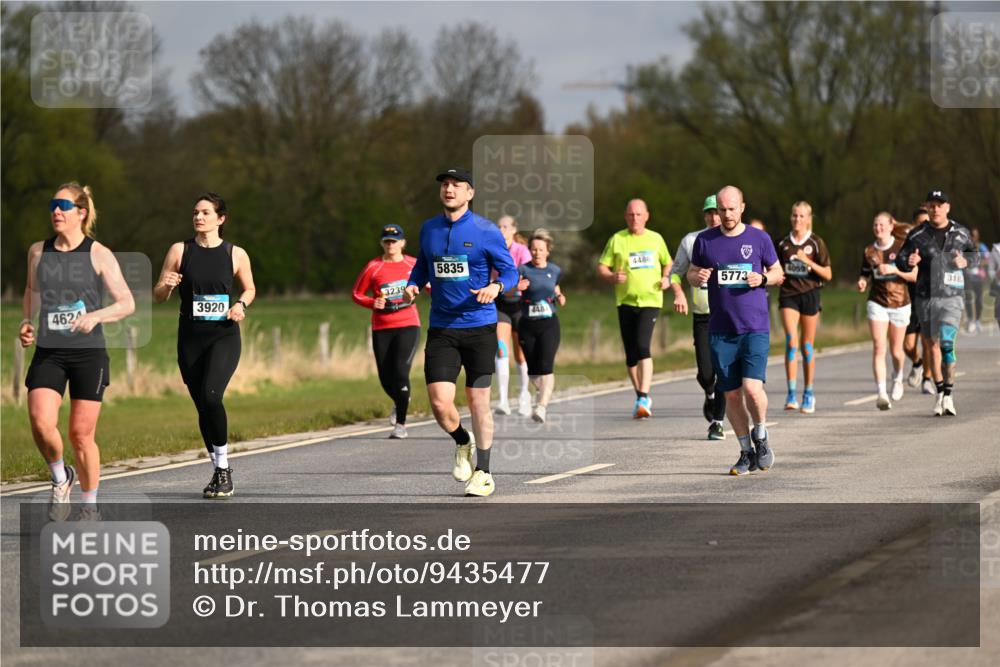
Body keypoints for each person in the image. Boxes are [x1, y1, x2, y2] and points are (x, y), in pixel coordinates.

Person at [20, 183, 135, 520]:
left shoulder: (99, 253)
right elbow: (31, 289)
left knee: (80, 435)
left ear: (81, 213)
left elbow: (126, 302)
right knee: (41, 424)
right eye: (52, 205)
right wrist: (27, 320)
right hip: (49, 351)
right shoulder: (38, 252)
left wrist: (95, 317)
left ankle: (89, 507)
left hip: (88, 354)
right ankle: (60, 476)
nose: (56, 211)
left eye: (63, 205)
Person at [404, 168, 518, 497]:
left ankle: (483, 471)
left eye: (457, 185)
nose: (449, 189)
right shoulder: (429, 229)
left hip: (480, 327)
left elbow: (510, 271)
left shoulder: (485, 231)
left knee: (478, 401)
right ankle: (461, 441)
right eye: (445, 184)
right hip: (442, 329)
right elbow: (423, 265)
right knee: (440, 404)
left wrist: (496, 287)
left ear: (470, 193)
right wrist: (413, 284)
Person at [154, 193, 256, 498]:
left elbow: (249, 288)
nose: (199, 217)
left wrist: (240, 305)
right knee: (202, 403)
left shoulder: (235, 254)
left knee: (212, 396)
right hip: (190, 336)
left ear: (220, 219)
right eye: (196, 212)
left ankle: (224, 469)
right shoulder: (179, 250)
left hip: (223, 334)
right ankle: (217, 470)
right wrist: (167, 285)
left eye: (206, 213)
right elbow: (159, 295)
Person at [688, 186, 784, 476]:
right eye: (721, 209)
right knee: (730, 396)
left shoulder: (759, 238)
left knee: (753, 389)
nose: (726, 214)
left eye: (731, 208)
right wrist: (697, 276)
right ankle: (746, 452)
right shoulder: (705, 241)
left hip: (754, 326)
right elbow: (691, 273)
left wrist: (764, 277)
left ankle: (762, 436)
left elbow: (779, 273)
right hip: (720, 329)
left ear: (742, 207)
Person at [896, 189, 978, 416]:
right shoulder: (917, 234)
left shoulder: (960, 233)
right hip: (925, 296)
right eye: (932, 205)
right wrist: (909, 261)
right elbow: (902, 259)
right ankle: (940, 392)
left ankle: (949, 395)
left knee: (947, 345)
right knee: (931, 345)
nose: (936, 209)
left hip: (952, 297)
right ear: (927, 207)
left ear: (947, 208)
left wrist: (966, 261)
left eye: (940, 205)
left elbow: (975, 255)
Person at [597, 199, 672, 419]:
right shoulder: (617, 239)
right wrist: (611, 276)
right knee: (631, 355)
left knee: (642, 346)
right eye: (631, 215)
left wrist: (666, 277)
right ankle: (640, 395)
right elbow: (602, 266)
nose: (635, 218)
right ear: (625, 216)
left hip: (650, 300)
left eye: (639, 215)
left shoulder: (656, 239)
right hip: (625, 301)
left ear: (647, 216)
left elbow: (668, 262)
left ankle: (643, 395)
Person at [352, 224, 421, 439]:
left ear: (403, 243)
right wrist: (373, 302)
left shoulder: (413, 264)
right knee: (385, 376)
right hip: (382, 326)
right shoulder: (374, 267)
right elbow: (357, 293)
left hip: (408, 323)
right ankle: (401, 399)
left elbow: (429, 285)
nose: (391, 245)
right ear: (382, 243)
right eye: (387, 241)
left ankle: (400, 424)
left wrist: (421, 288)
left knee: (401, 371)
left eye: (395, 241)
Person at [670, 194, 727, 440]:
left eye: (719, 212)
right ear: (704, 215)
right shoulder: (692, 240)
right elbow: (675, 273)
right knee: (706, 373)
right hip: (702, 316)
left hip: (727, 315)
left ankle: (717, 422)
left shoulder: (734, 240)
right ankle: (710, 393)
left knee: (723, 370)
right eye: (710, 212)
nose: (715, 217)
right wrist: (679, 293)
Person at [776, 201, 832, 413]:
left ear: (809, 219)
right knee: (792, 342)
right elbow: (773, 266)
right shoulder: (782, 243)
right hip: (789, 295)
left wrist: (808, 262)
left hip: (810, 294)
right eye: (794, 215)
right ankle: (791, 393)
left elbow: (827, 274)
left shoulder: (816, 243)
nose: (797, 220)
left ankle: (808, 392)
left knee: (807, 346)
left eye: (801, 216)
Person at [858, 212, 918, 410]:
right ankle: (882, 392)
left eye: (882, 225)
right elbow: (865, 274)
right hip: (877, 302)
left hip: (901, 302)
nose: (878, 228)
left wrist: (894, 271)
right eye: (875, 225)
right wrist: (862, 282)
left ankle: (898, 377)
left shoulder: (902, 247)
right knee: (879, 347)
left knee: (896, 350)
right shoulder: (869, 250)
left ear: (892, 226)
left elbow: (913, 276)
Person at [516, 229, 565, 423]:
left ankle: (542, 406)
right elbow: (510, 289)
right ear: (530, 251)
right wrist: (516, 288)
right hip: (527, 324)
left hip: (549, 323)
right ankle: (542, 391)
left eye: (540, 249)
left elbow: (555, 287)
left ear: (547, 251)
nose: (537, 253)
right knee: (533, 370)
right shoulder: (522, 270)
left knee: (546, 365)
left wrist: (560, 296)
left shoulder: (555, 270)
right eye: (534, 249)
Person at [492, 216, 532, 416]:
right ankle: (503, 400)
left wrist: (509, 286)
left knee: (520, 354)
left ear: (514, 230)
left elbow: (526, 279)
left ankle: (524, 395)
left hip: (520, 306)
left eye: (505, 226)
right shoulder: (493, 249)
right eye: (498, 226)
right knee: (501, 350)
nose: (500, 229)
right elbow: (491, 279)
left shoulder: (521, 251)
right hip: (500, 306)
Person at [904, 208, 934, 394]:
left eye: (927, 223)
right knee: (907, 345)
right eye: (920, 223)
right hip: (909, 299)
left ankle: (927, 379)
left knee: (927, 342)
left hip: (929, 299)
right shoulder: (907, 245)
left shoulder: (935, 245)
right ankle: (917, 362)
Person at [963, 227, 989, 333]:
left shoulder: (981, 246)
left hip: (978, 277)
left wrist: (977, 263)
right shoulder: (964, 247)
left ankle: (978, 320)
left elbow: (987, 260)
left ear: (977, 236)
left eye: (975, 235)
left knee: (979, 299)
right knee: (968, 298)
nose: (973, 237)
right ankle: (970, 320)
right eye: (971, 235)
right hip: (968, 276)